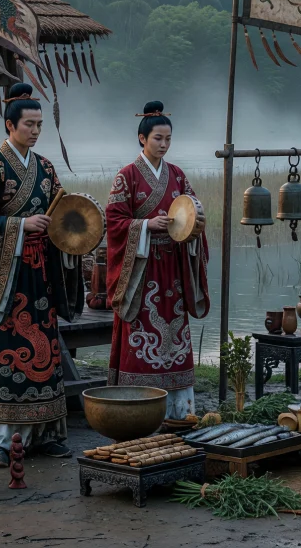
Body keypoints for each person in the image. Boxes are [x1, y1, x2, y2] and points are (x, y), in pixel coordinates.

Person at [0, 83, 84, 467]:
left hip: (41, 274)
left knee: (44, 353)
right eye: (29, 124)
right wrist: (19, 225)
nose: (35, 131)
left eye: (39, 125)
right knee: (5, 354)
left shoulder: (45, 168)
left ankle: (45, 431)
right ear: (10, 125)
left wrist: (76, 232)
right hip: (5, 276)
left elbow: (62, 213)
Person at [104, 101, 209, 420]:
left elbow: (194, 214)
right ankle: (137, 412)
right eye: (157, 139)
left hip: (173, 272)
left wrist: (191, 224)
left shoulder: (177, 175)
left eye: (167, 139)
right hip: (140, 272)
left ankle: (179, 412)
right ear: (142, 138)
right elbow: (114, 222)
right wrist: (146, 225)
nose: (163, 145)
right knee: (141, 334)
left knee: (175, 332)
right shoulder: (127, 176)